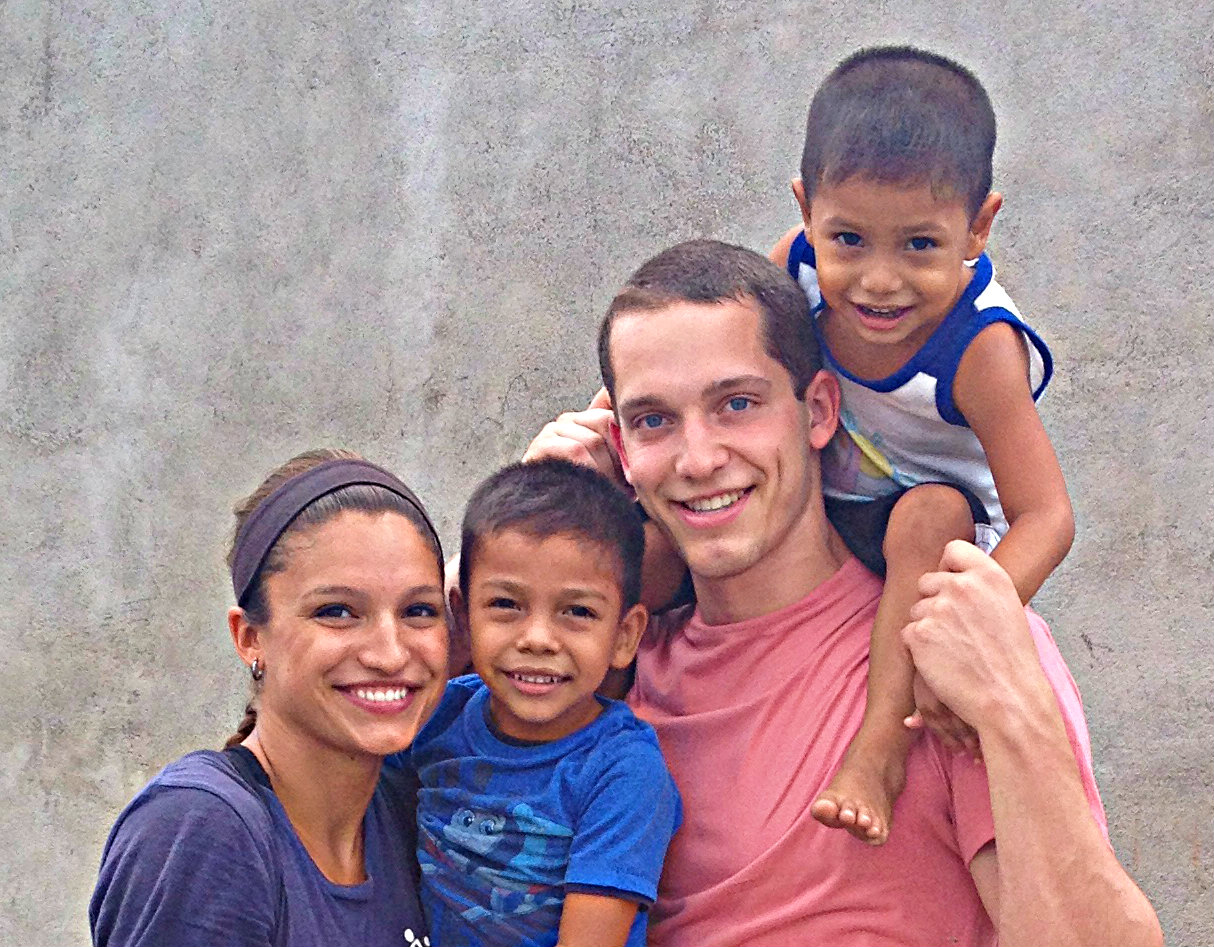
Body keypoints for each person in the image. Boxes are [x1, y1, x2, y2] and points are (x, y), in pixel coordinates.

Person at [525, 239, 1162, 946]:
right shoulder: (604, 667)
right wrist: (532, 521)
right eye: (654, 420)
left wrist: (1015, 709)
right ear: (621, 449)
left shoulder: (941, 653)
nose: (698, 459)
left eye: (737, 404)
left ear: (820, 411)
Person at [765, 43, 1076, 846]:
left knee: (929, 513)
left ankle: (876, 754)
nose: (877, 280)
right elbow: (709, 348)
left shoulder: (979, 346)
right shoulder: (792, 268)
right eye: (849, 240)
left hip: (933, 533)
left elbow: (1046, 516)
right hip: (827, 503)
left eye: (919, 246)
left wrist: (969, 626)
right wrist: (605, 420)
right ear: (806, 211)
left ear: (978, 226)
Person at [89, 449, 449, 947]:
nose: (390, 654)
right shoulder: (204, 830)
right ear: (250, 637)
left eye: (418, 610)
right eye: (338, 611)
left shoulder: (409, 808)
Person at [402, 459, 681, 947]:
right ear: (463, 616)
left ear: (624, 636)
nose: (537, 639)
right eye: (506, 605)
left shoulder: (622, 772)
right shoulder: (438, 717)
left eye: (577, 612)